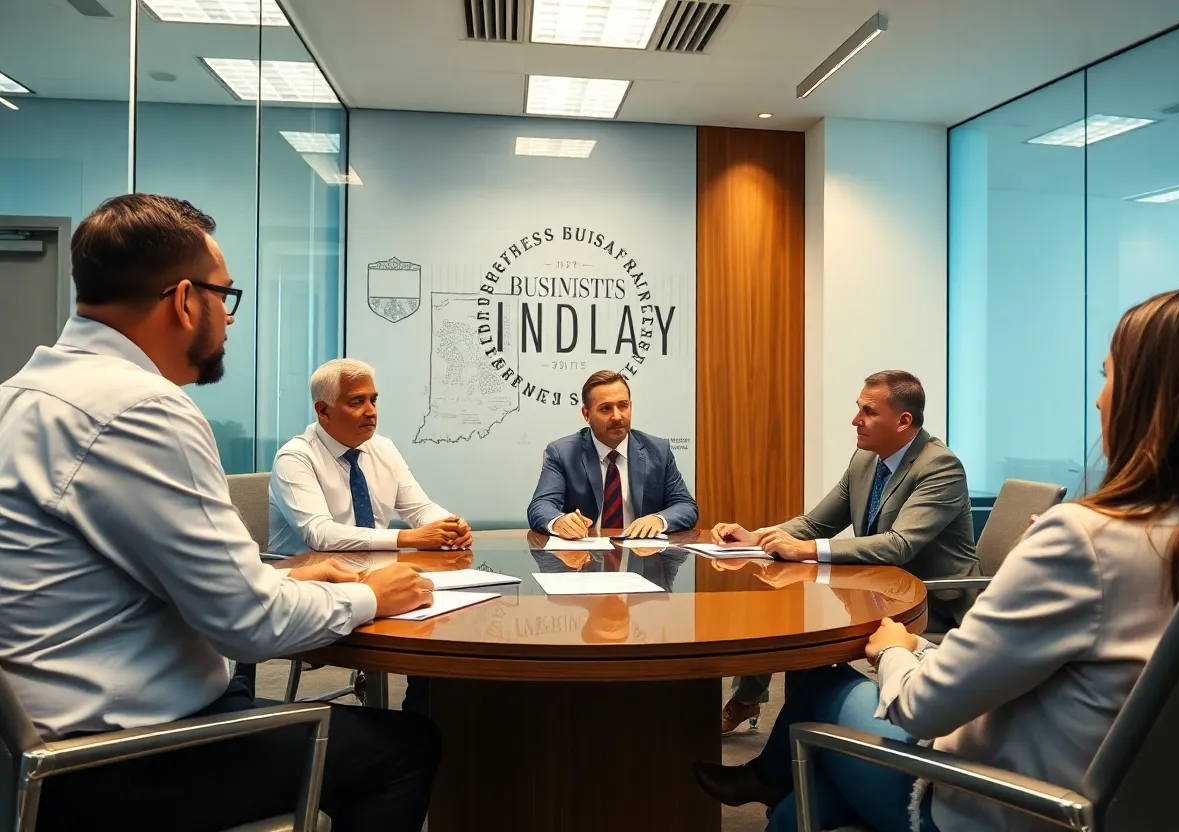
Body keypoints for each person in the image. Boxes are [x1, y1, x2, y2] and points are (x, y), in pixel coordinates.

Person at [695, 287, 1179, 832]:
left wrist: (899, 650)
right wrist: (763, 537)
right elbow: (819, 522)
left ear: (1149, 399)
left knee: (815, 686)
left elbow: (925, 705)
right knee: (805, 805)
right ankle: (778, 791)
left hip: (1006, 803)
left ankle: (766, 776)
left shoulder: (1071, 533)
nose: (1098, 400)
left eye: (1107, 377)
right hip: (1104, 794)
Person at [0, 194, 441, 831]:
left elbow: (148, 574)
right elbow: (248, 625)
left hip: (40, 742)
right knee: (404, 748)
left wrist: (286, 579)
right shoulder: (141, 410)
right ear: (184, 300)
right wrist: (373, 596)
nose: (229, 321)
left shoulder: (25, 393)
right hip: (113, 758)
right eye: (224, 298)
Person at [713, 370, 979, 732]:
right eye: (859, 409)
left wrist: (804, 550)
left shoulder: (939, 467)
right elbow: (815, 524)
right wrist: (758, 538)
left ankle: (788, 747)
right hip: (874, 591)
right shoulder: (864, 460)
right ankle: (764, 719)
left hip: (930, 603)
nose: (856, 420)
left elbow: (899, 545)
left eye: (868, 412)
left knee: (805, 632)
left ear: (903, 421)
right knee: (783, 609)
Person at [268, 357, 472, 555]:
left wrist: (449, 526)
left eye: (373, 400)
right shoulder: (295, 457)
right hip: (306, 579)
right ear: (323, 411)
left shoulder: (383, 448)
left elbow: (419, 509)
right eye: (357, 402)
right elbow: (320, 534)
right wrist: (407, 538)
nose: (371, 411)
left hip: (375, 571)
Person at [527, 370, 698, 539]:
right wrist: (559, 522)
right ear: (586, 414)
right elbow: (540, 506)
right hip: (582, 559)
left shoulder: (658, 451)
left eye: (623, 406)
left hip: (644, 558)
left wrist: (659, 520)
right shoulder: (562, 453)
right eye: (606, 409)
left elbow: (685, 506)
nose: (617, 416)